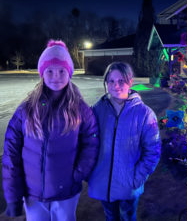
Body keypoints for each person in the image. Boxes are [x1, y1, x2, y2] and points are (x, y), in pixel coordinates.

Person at [2, 40, 99, 220]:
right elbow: (11, 153)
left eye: (62, 70)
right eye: (50, 71)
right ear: (42, 74)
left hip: (66, 194)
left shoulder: (80, 109)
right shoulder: (26, 110)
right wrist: (13, 195)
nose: (56, 76)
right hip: (33, 195)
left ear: (69, 73)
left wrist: (79, 173)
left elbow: (91, 141)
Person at [88, 62, 161, 221]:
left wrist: (137, 177)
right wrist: (90, 172)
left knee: (127, 218)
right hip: (103, 183)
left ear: (130, 82)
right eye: (111, 81)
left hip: (128, 185)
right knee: (110, 217)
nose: (116, 86)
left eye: (121, 81)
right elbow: (87, 144)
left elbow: (153, 151)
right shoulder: (96, 110)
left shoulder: (145, 114)